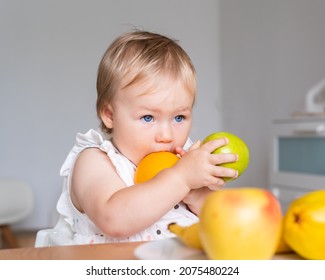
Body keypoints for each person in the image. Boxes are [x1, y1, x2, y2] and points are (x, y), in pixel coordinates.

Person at [36, 30, 238, 246]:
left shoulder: (184, 161)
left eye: (179, 117)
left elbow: (222, 221)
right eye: (148, 117)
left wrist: (196, 194)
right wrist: (180, 179)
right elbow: (113, 220)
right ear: (110, 115)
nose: (166, 136)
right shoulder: (95, 161)